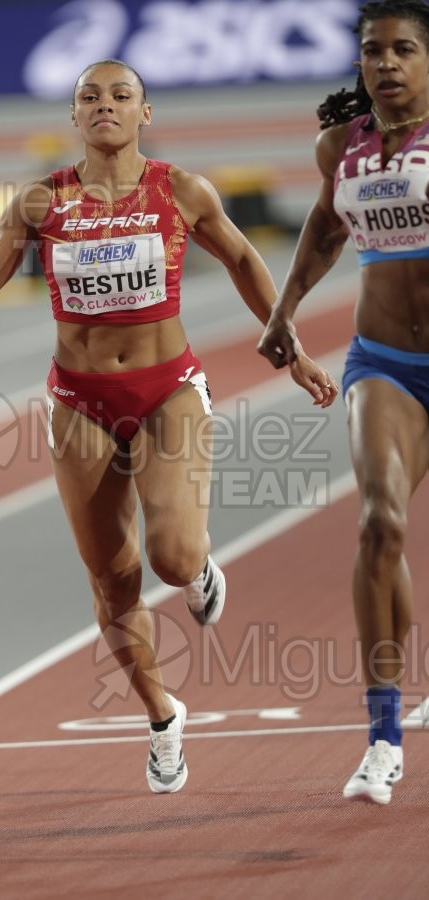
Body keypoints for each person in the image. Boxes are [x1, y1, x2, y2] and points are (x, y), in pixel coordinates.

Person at [0, 59, 337, 793]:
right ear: (73, 115)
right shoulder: (41, 202)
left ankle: (201, 570)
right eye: (89, 97)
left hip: (166, 391)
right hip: (80, 400)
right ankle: (162, 717)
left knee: (174, 560)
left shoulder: (181, 191)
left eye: (121, 96)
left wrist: (293, 348)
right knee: (112, 580)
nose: (105, 107)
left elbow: (247, 260)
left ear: (145, 114)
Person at [257, 1, 429, 805]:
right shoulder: (342, 147)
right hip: (386, 360)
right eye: (372, 50)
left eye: (403, 49)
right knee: (379, 523)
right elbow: (326, 231)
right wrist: (284, 311)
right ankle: (384, 736)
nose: (386, 63)